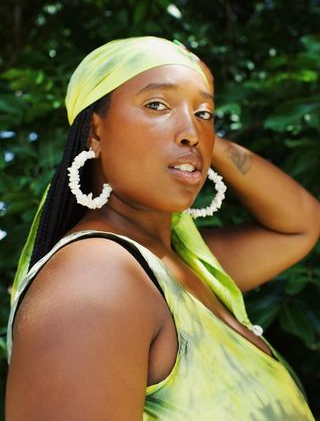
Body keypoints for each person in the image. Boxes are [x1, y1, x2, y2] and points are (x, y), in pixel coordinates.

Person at [5, 37, 319, 420]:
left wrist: (198, 139)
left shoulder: (181, 267)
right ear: (96, 132)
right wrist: (190, 132)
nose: (191, 131)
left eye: (205, 113)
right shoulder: (95, 279)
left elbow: (302, 224)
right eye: (157, 105)